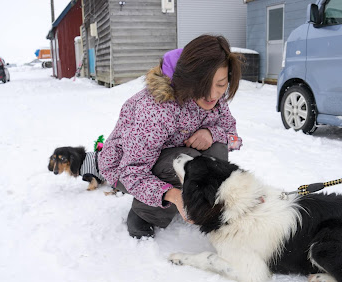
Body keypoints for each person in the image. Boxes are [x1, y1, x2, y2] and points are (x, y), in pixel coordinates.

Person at [98, 35, 244, 238]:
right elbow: (131, 172)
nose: (212, 95)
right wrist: (174, 196)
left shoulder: (217, 101)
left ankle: (200, 201)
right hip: (125, 167)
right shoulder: (156, 108)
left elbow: (236, 140)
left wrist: (212, 133)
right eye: (204, 86)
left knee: (217, 148)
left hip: (170, 157)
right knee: (188, 160)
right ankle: (145, 213)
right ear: (189, 80)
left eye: (221, 84)